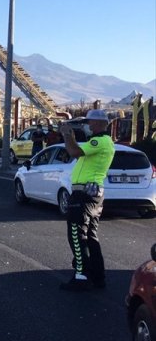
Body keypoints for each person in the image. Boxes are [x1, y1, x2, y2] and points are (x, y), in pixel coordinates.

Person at [58, 109, 115, 291]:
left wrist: (67, 134)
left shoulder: (100, 141)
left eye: (90, 122)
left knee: (76, 233)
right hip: (93, 193)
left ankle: (81, 276)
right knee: (90, 236)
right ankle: (98, 277)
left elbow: (74, 151)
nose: (88, 126)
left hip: (84, 194)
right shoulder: (102, 142)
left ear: (98, 124)